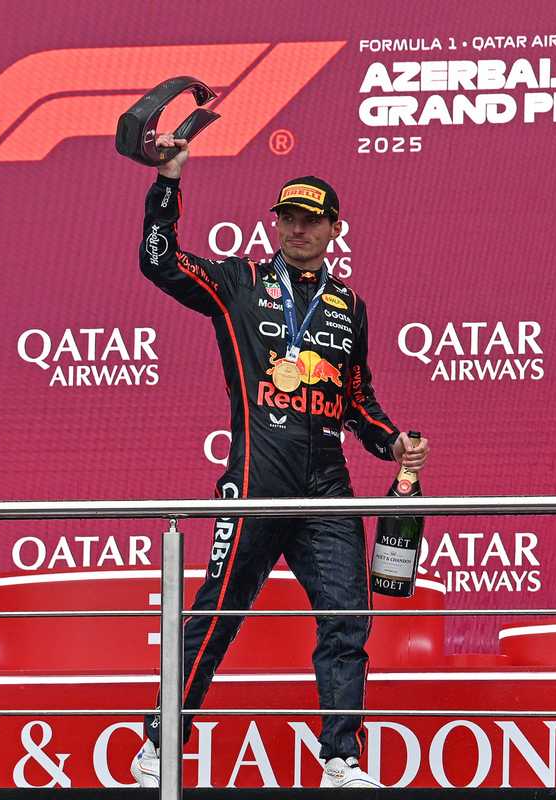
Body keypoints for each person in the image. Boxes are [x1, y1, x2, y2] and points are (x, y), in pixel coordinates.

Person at [131, 133, 429, 789]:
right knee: (215, 615)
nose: (298, 228)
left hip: (327, 490)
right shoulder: (239, 281)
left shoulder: (350, 306)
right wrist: (168, 184)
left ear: (333, 229)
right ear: (277, 224)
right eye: (287, 217)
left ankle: (341, 761)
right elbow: (160, 263)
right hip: (257, 484)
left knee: (348, 619)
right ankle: (159, 743)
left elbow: (359, 400)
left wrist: (392, 445)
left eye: (311, 219)